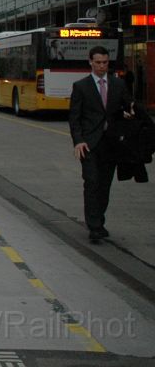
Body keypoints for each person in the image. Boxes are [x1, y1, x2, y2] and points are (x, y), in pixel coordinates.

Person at [69, 45, 134, 243]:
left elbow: (128, 105)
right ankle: (94, 227)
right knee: (91, 183)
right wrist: (78, 141)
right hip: (89, 144)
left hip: (111, 143)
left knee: (104, 185)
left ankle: (99, 221)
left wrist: (130, 113)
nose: (101, 66)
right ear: (90, 62)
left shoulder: (118, 85)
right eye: (97, 62)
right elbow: (75, 118)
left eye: (105, 62)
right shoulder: (81, 87)